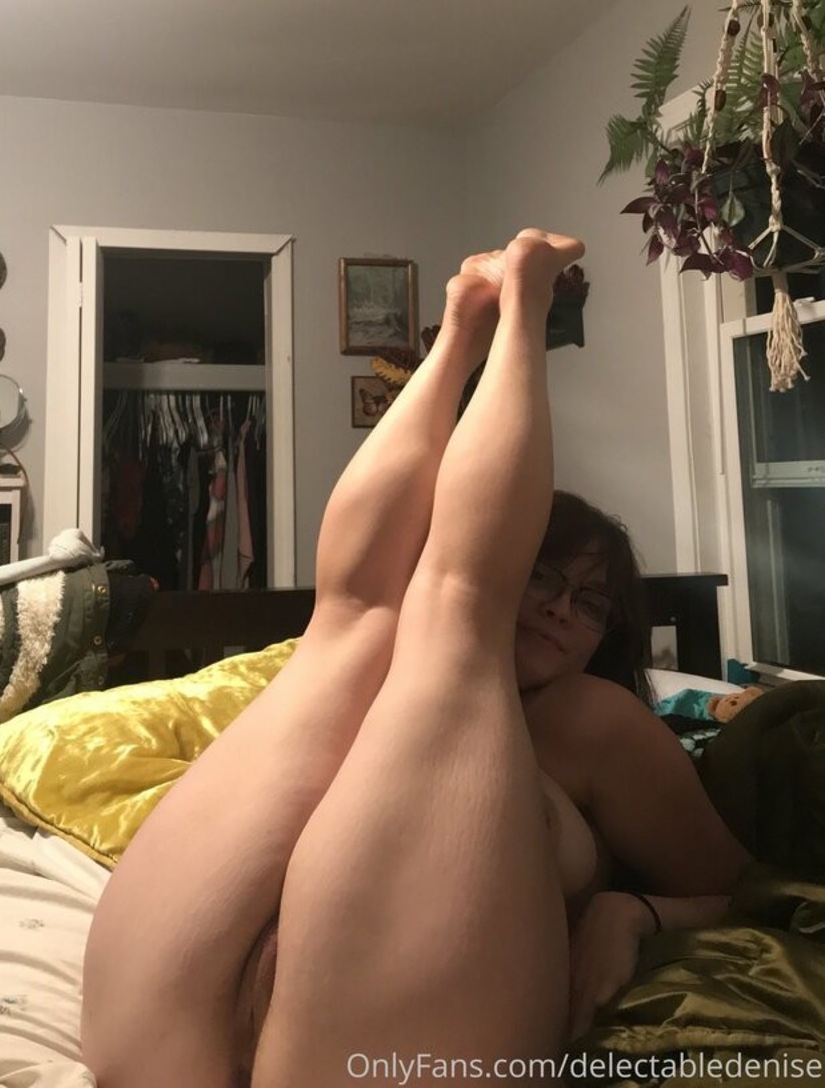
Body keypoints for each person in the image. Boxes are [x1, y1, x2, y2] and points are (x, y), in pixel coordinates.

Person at [81, 230, 749, 1087]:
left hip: (291, 1044)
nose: (560, 609)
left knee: (404, 612)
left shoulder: (589, 717)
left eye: (591, 604)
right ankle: (494, 314)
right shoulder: (382, 664)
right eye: (541, 574)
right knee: (394, 613)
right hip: (192, 1020)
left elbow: (746, 889)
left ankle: (483, 320)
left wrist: (632, 912)